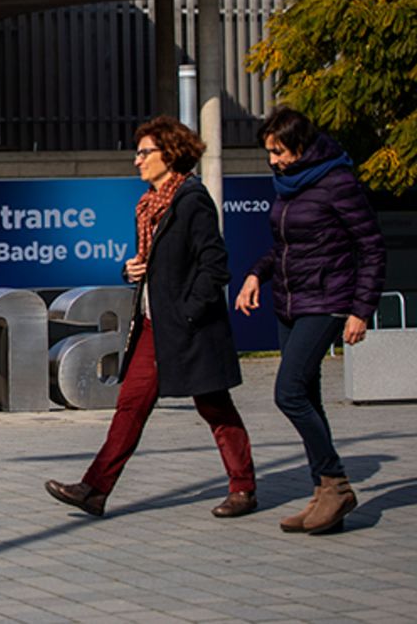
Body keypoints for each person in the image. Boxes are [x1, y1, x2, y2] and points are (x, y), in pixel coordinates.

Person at [46, 116, 256, 518]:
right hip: (151, 326)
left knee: (214, 406)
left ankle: (243, 488)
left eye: (144, 152)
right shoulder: (148, 206)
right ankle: (94, 489)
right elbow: (152, 264)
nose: (136, 160)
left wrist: (188, 313)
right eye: (137, 152)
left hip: (189, 328)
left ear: (169, 153)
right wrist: (131, 270)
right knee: (130, 404)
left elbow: (216, 266)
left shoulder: (191, 200)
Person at [235, 107, 385, 535]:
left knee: (288, 393)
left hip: (328, 302)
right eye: (269, 152)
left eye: (278, 151)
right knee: (309, 397)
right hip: (291, 302)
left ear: (300, 145)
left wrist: (361, 310)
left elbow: (372, 248)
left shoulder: (337, 182)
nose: (273, 161)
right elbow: (286, 247)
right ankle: (323, 495)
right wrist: (255, 274)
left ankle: (336, 485)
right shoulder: (288, 185)